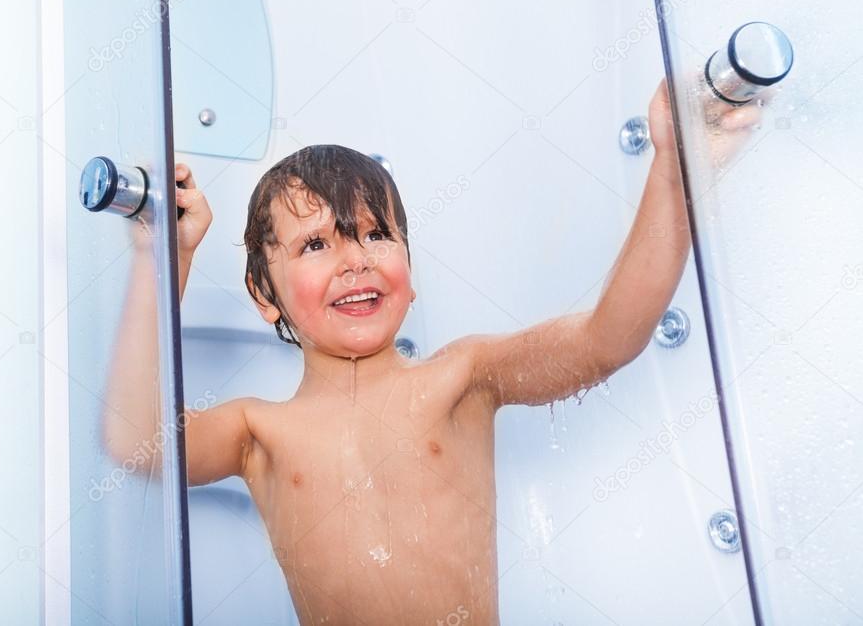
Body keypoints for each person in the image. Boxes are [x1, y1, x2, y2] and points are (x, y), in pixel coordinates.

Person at [103, 79, 761, 624]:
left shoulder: (459, 378)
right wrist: (160, 258)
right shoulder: (258, 432)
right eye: (315, 245)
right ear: (262, 294)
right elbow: (135, 440)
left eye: (375, 235)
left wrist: (675, 169)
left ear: (409, 270)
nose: (354, 261)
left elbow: (606, 339)